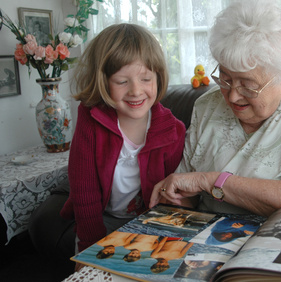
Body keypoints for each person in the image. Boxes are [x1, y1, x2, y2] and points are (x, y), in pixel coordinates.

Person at [150, 0, 281, 216]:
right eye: (225, 79)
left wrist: (213, 181)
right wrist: (174, 199)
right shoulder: (207, 105)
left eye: (248, 85)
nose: (232, 95)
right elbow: (187, 194)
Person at [59, 23, 186, 270]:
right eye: (121, 81)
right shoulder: (90, 118)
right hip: (100, 220)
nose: (136, 91)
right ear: (103, 81)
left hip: (148, 224)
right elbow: (84, 190)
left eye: (146, 78)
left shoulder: (173, 130)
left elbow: (170, 199)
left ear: (158, 77)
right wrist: (89, 247)